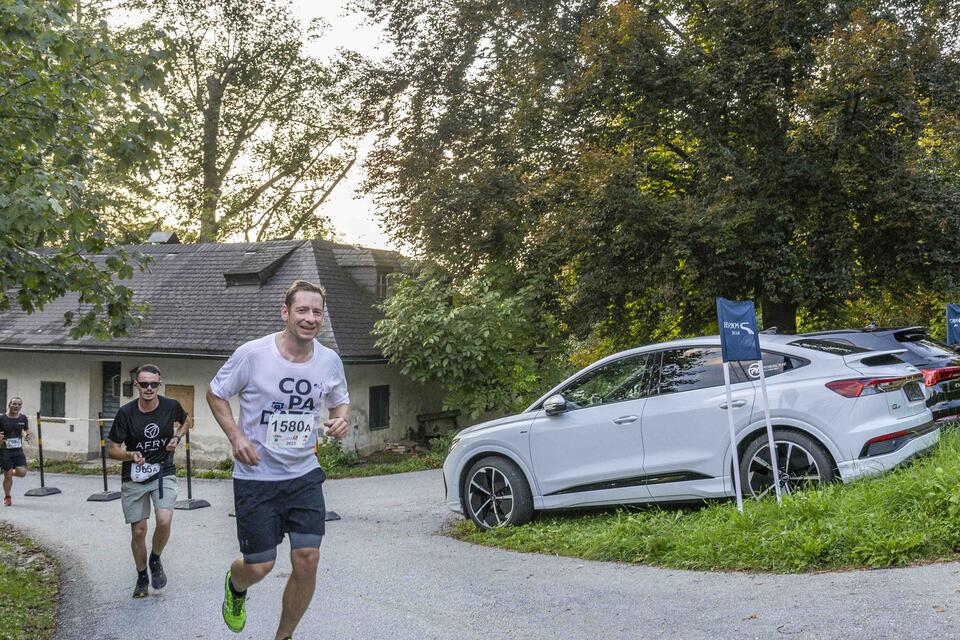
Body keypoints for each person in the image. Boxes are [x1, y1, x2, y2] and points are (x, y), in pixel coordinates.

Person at [207, 279, 350, 640]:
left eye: (317, 312)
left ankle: (283, 637)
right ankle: (236, 587)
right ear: (285, 312)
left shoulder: (329, 360)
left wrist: (341, 418)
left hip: (304, 475)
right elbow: (216, 393)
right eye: (302, 310)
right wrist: (236, 436)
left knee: (307, 559)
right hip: (257, 478)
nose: (310, 318)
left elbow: (339, 399)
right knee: (260, 566)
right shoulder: (253, 354)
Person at [107, 364, 189, 598]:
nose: (149, 388)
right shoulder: (126, 413)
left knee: (164, 520)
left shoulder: (171, 406)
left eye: (154, 384)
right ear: (137, 385)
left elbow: (186, 421)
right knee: (139, 531)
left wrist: (176, 437)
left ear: (159, 385)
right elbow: (112, 449)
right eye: (144, 384)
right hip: (134, 476)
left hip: (163, 471)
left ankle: (155, 559)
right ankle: (142, 575)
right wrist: (129, 455)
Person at [1, 397, 31, 506]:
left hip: (17, 450)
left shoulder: (23, 418)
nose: (16, 406)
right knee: (8, 475)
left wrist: (27, 435)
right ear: (9, 405)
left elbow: (25, 430)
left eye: (19, 404)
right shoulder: (2, 418)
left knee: (22, 473)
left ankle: (9, 473)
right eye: (14, 404)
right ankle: (7, 497)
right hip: (4, 450)